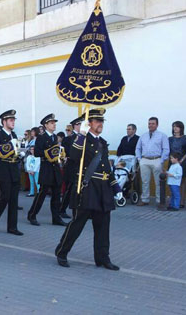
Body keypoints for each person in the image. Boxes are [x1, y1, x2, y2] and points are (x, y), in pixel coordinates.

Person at [55, 108, 122, 270]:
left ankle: (102, 258)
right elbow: (74, 155)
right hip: (87, 188)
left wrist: (116, 188)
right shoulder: (81, 140)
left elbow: (107, 168)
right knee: (77, 224)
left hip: (103, 189)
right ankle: (62, 252)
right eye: (97, 121)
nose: (100, 124)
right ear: (89, 123)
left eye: (102, 121)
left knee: (103, 225)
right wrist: (82, 135)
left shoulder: (103, 143)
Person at [0, 109, 23, 236]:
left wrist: (19, 153)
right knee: (4, 197)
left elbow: (15, 151)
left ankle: (12, 227)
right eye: (11, 120)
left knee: (14, 200)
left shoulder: (14, 135)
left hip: (13, 169)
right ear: (4, 121)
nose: (13, 122)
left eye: (14, 120)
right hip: (2, 170)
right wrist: (10, 147)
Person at [27, 113, 67, 227]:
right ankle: (32, 215)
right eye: (52, 123)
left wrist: (61, 155)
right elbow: (38, 153)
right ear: (46, 125)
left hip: (55, 168)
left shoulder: (54, 137)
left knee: (56, 195)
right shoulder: (41, 137)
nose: (54, 125)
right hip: (46, 168)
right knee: (42, 194)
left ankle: (56, 218)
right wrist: (48, 153)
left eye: (54, 123)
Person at [135, 117, 170, 206]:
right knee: (145, 181)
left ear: (157, 125)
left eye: (152, 123)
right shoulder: (143, 136)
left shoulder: (162, 135)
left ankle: (159, 201)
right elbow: (138, 148)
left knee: (158, 182)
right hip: (144, 160)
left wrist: (161, 161)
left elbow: (166, 149)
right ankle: (145, 199)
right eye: (149, 123)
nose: (150, 125)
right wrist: (140, 159)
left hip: (156, 160)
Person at [59, 116, 84, 218]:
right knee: (70, 189)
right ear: (75, 126)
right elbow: (68, 153)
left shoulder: (85, 138)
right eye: (79, 124)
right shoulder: (68, 139)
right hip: (72, 167)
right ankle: (62, 209)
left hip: (81, 167)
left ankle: (80, 210)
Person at [168, 121, 186, 208]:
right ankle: (173, 202)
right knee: (172, 182)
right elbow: (167, 151)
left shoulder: (185, 138)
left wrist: (181, 160)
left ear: (181, 128)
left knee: (181, 182)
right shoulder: (170, 139)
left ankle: (181, 202)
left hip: (182, 162)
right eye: (173, 126)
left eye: (177, 127)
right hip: (172, 162)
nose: (175, 128)